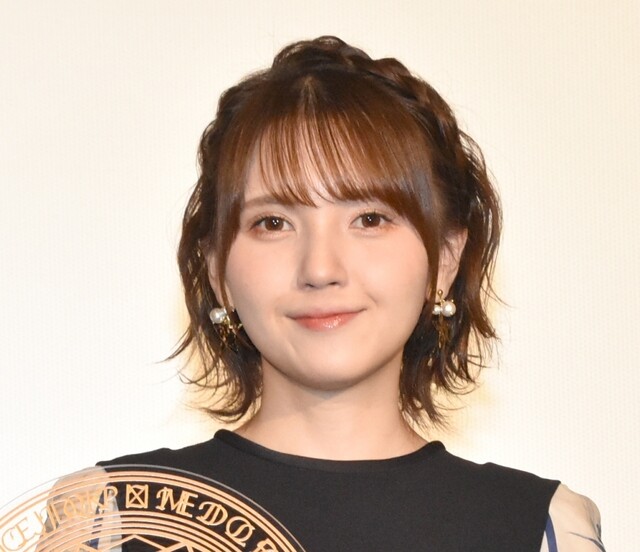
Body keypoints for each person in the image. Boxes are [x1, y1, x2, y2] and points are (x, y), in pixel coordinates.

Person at [100, 36, 604, 551]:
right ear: (217, 271)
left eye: (369, 219)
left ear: (445, 260)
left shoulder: (543, 528)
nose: (320, 269)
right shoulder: (111, 519)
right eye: (273, 222)